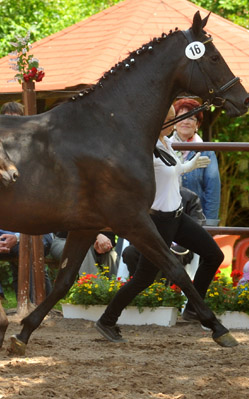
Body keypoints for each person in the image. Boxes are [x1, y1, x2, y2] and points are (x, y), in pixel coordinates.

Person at [95, 105, 225, 343]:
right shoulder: (144, 149)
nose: (172, 123)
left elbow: (169, 173)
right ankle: (107, 320)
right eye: (168, 119)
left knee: (214, 255)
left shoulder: (166, 143)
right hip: (158, 221)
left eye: (173, 119)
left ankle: (194, 310)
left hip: (178, 216)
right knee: (144, 278)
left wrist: (188, 166)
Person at [169, 98, 221, 226]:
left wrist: (210, 224)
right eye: (181, 117)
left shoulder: (206, 151)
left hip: (195, 218)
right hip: (166, 215)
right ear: (174, 122)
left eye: (191, 118)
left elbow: (212, 190)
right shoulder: (163, 147)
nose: (185, 122)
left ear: (197, 125)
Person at [50, 232, 116, 276]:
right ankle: (93, 290)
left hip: (90, 245)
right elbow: (74, 227)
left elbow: (111, 238)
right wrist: (96, 235)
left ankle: (115, 291)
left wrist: (103, 246)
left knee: (112, 255)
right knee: (82, 250)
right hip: (64, 240)